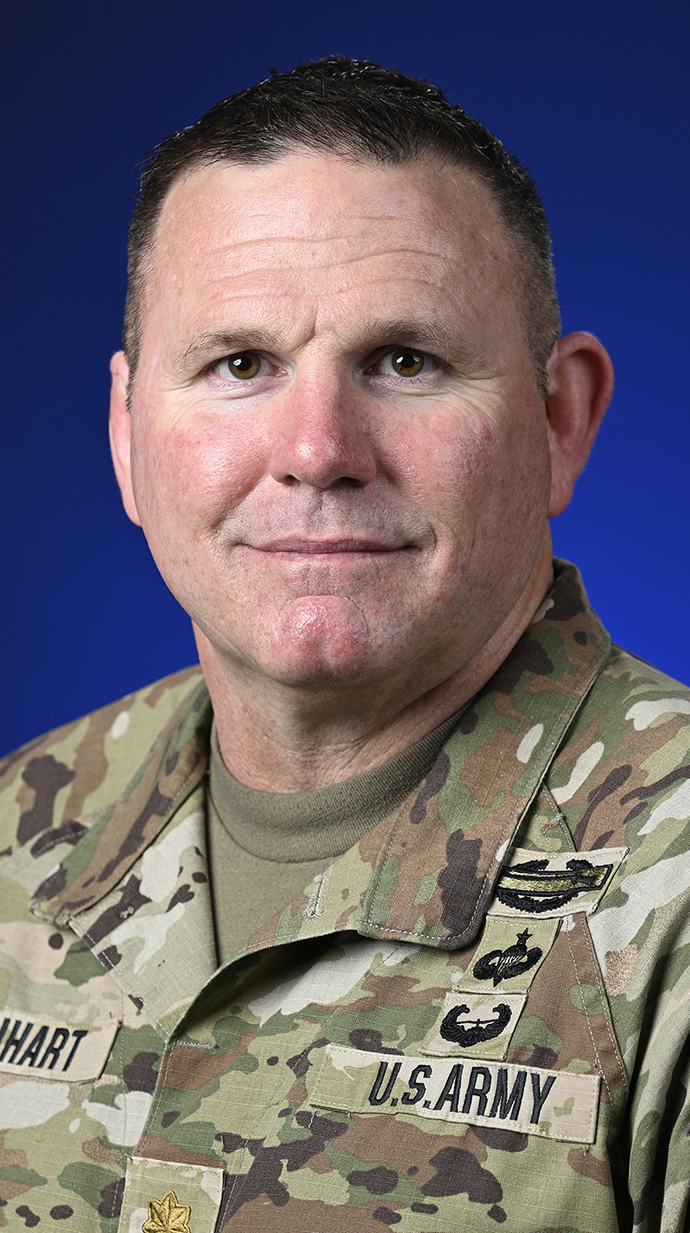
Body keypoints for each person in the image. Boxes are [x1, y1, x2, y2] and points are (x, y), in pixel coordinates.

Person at [0, 56, 688, 1233]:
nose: (317, 448)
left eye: (405, 361)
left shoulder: (670, 903)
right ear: (126, 435)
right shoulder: (23, 824)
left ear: (559, 422)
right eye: (240, 365)